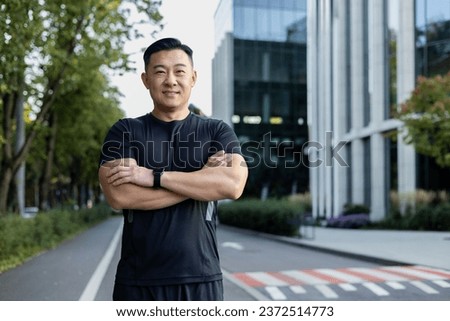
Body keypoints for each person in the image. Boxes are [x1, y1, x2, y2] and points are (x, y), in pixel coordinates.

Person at [98, 38, 248, 301]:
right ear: (145, 79)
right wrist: (202, 181)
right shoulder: (125, 131)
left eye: (180, 71)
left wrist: (153, 177)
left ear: (193, 77)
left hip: (202, 280)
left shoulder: (216, 131)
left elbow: (233, 186)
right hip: (138, 282)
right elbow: (120, 196)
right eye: (160, 72)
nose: (171, 80)